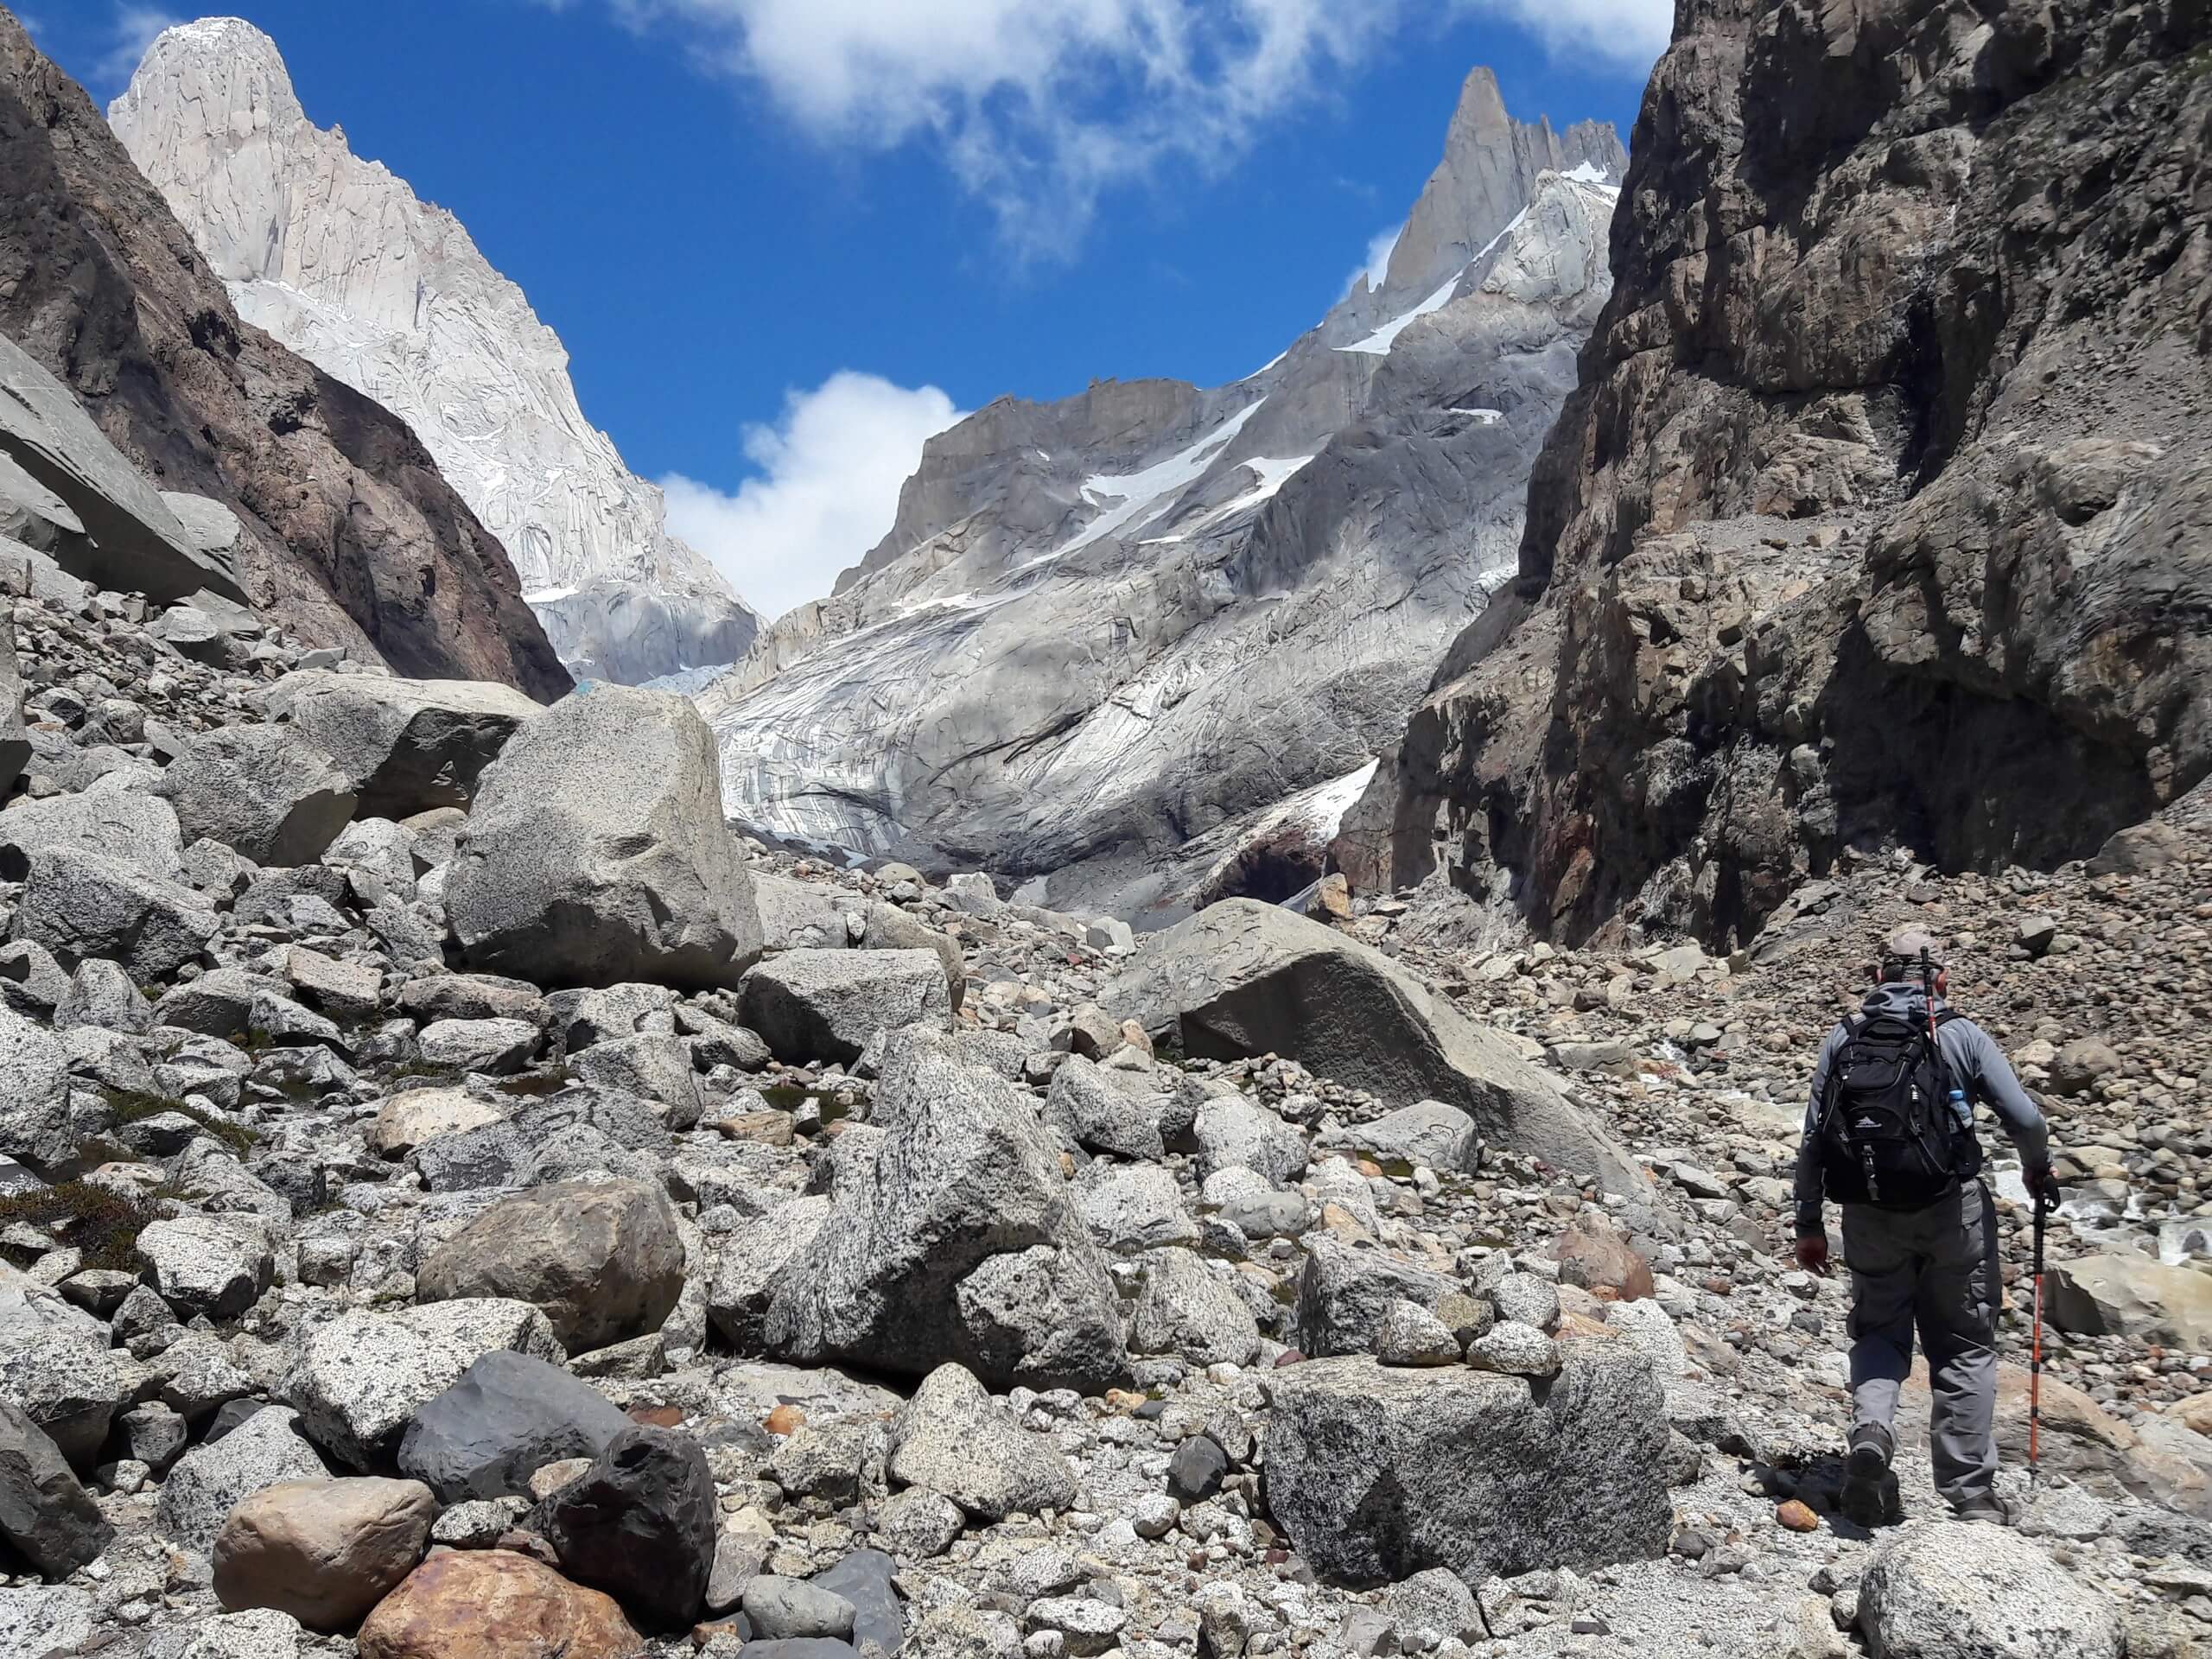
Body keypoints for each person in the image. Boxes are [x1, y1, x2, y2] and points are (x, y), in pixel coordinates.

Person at [1792, 931, 2060, 1525]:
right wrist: (2038, 1172)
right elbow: (2025, 1118)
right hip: (1951, 1211)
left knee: (1879, 1332)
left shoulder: (1846, 1035)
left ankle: (1872, 1434)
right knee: (1963, 1342)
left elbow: (1814, 1139)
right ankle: (1971, 1496)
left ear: (1878, 974)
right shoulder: (1959, 1032)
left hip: (1868, 1211)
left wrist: (1808, 1223)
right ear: (1939, 977)